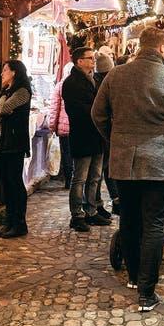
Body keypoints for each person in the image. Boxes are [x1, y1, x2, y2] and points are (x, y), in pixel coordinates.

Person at [92, 27, 164, 312]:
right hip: (158, 160)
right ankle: (147, 293)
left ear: (139, 47)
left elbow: (97, 114)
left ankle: (135, 278)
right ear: (162, 49)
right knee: (153, 224)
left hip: (124, 160)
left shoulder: (115, 75)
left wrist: (115, 138)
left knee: (129, 220)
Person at [0, 59, 33, 239]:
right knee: (6, 183)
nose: (1, 73)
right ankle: (9, 221)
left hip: (15, 143)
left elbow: (3, 108)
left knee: (15, 183)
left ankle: (19, 223)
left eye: (5, 70)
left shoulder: (22, 91)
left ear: (14, 72)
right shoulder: (5, 90)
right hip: (4, 143)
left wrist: (0, 110)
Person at [63, 47, 109, 231]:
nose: (93, 61)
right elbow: (76, 110)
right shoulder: (71, 83)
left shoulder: (94, 80)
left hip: (97, 136)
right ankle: (77, 214)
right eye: (89, 58)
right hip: (82, 135)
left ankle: (91, 210)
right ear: (79, 61)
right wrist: (98, 112)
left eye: (93, 58)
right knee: (80, 177)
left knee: (95, 177)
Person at [94, 52, 119, 213]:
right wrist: (108, 132)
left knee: (103, 170)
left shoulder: (97, 82)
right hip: (102, 136)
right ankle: (101, 203)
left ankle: (113, 200)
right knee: (99, 172)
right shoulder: (104, 85)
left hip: (103, 134)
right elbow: (98, 113)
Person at [47, 72, 71, 189]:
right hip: (77, 127)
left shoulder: (60, 86)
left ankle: (68, 180)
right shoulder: (82, 84)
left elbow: (54, 108)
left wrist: (52, 126)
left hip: (64, 128)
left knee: (67, 154)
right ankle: (77, 181)